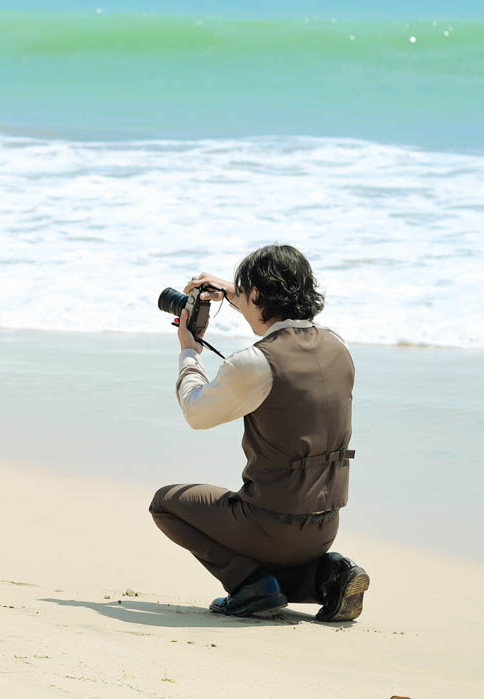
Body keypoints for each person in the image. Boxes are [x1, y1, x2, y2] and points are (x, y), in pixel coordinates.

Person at [149, 244, 369, 621]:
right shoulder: (339, 346)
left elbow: (197, 414)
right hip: (325, 526)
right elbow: (276, 318)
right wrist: (230, 290)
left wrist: (190, 351)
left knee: (167, 503)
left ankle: (250, 586)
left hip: (270, 527)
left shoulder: (254, 362)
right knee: (281, 541)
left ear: (254, 294)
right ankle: (324, 576)